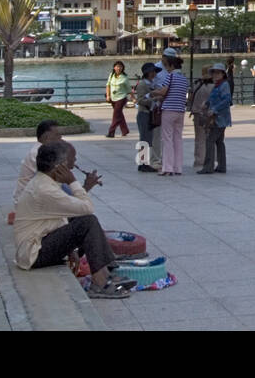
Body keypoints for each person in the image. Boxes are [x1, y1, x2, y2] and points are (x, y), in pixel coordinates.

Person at [13, 141, 133, 299]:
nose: (72, 167)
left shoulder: (45, 182)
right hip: (33, 255)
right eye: (70, 163)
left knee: (83, 220)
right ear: (60, 167)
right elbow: (87, 208)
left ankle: (106, 272)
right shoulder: (45, 189)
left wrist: (70, 249)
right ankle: (99, 282)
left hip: (36, 246)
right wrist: (73, 182)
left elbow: (62, 218)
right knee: (87, 221)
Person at [11, 120, 62, 217]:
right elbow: (54, 180)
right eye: (57, 135)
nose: (60, 138)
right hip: (28, 203)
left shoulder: (43, 152)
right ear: (47, 138)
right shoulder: (38, 154)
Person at [150, 53, 189, 176]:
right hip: (180, 111)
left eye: (167, 66)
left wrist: (153, 93)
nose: (166, 68)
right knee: (177, 139)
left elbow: (163, 91)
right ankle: (178, 167)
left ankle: (167, 168)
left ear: (172, 66)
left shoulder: (170, 77)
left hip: (169, 110)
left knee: (167, 139)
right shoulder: (184, 79)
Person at [199, 63, 232, 174]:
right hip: (218, 117)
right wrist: (207, 103)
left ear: (223, 74)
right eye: (214, 72)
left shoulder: (224, 85)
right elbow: (213, 98)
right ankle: (221, 166)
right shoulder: (218, 85)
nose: (215, 75)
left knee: (210, 140)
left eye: (218, 72)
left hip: (219, 117)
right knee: (219, 141)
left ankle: (208, 166)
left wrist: (214, 109)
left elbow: (227, 100)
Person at [132, 62, 160, 172]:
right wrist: (153, 98)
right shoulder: (143, 84)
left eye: (154, 72)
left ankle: (144, 163)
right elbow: (140, 100)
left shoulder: (152, 84)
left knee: (148, 139)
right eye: (152, 72)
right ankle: (142, 163)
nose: (154, 74)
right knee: (144, 139)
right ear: (147, 73)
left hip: (149, 114)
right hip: (144, 113)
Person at [189, 65, 215, 170]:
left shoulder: (197, 85)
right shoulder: (213, 87)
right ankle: (210, 159)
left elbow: (190, 99)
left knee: (199, 138)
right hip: (209, 115)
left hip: (197, 114)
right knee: (210, 138)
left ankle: (199, 160)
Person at [104, 61, 131, 138]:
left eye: (120, 67)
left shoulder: (125, 77)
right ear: (114, 67)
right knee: (119, 114)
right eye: (117, 66)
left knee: (116, 115)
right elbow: (108, 85)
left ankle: (111, 132)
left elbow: (129, 89)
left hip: (121, 98)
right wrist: (108, 96)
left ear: (123, 68)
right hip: (113, 98)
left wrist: (133, 98)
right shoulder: (111, 75)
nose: (119, 68)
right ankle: (125, 130)